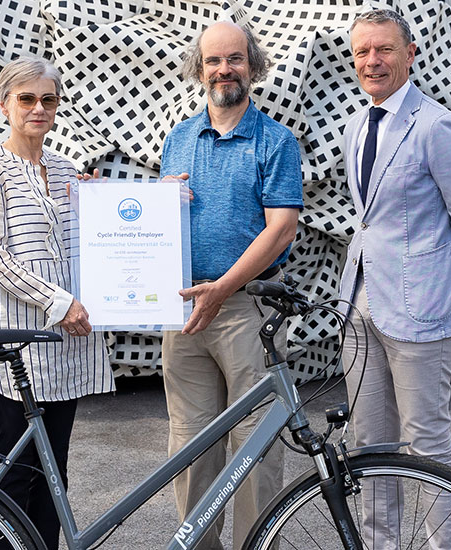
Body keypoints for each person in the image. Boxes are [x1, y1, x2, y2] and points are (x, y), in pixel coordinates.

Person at [339, 8, 451, 548]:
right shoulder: (356, 126)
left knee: (427, 447)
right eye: (362, 52)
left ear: (410, 53)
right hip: (359, 308)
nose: (372, 61)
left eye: (383, 49)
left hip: (423, 312)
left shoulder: (437, 126)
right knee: (370, 447)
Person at [158, 21, 304, 550]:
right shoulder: (177, 138)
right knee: (192, 443)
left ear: (253, 66)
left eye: (235, 59)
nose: (224, 70)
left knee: (255, 443)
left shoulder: (276, 141)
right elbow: (157, 221)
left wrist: (222, 287)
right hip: (186, 309)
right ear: (199, 70)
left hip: (246, 308)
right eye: (214, 60)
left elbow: (281, 227)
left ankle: (254, 545)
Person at [0, 57, 116, 550]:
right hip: (18, 342)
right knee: (16, 468)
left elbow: (91, 237)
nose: (38, 108)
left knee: (55, 468)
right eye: (26, 99)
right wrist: (59, 302)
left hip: (65, 344)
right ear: (5, 104)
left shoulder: (68, 170)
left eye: (48, 99)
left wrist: (138, 204)